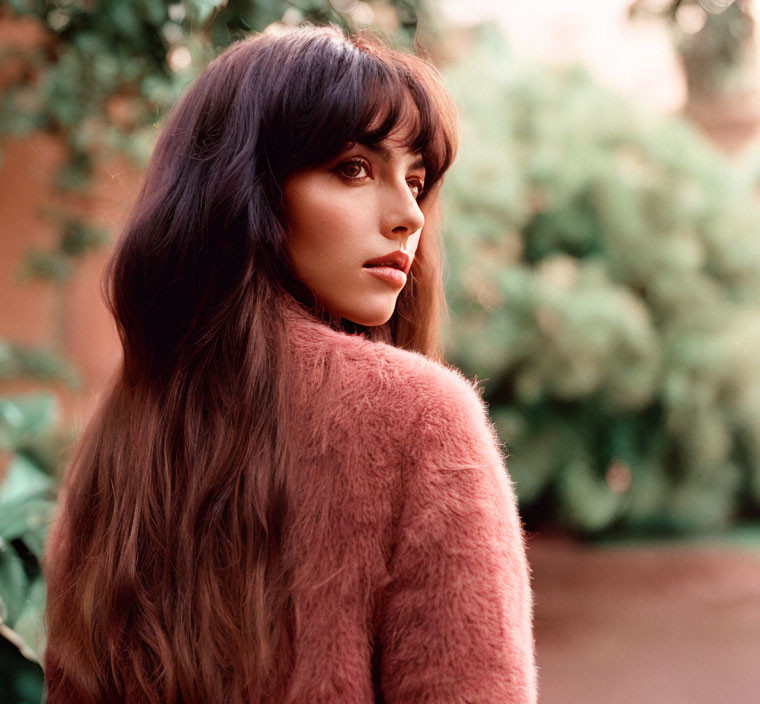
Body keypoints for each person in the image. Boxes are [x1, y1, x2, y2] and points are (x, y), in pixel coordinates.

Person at [42, 23, 538, 704]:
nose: (408, 216)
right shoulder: (422, 420)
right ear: (247, 191)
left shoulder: (119, 432)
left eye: (417, 181)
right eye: (353, 168)